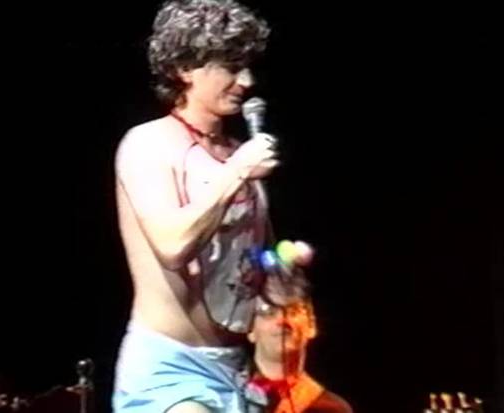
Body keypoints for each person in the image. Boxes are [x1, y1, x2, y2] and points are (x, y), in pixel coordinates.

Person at [111, 1, 279, 412]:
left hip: (238, 370)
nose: (246, 81)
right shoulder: (148, 144)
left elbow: (259, 259)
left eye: (248, 67)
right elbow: (172, 245)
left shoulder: (239, 153)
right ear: (186, 68)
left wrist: (282, 273)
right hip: (171, 371)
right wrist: (238, 171)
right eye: (231, 67)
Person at [246, 277, 354, 413]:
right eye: (268, 312)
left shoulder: (332, 409)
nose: (281, 320)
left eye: (293, 311)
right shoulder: (225, 398)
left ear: (311, 325)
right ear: (250, 329)